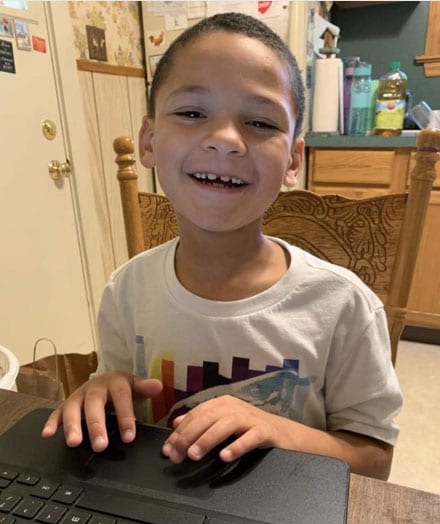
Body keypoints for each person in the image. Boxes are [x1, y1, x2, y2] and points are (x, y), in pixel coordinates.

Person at [41, 13, 401, 480]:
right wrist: (105, 391)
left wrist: (280, 430)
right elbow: (124, 409)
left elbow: (375, 461)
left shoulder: (343, 307)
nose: (226, 140)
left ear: (294, 161)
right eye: (192, 113)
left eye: (258, 121)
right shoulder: (127, 291)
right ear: (149, 141)